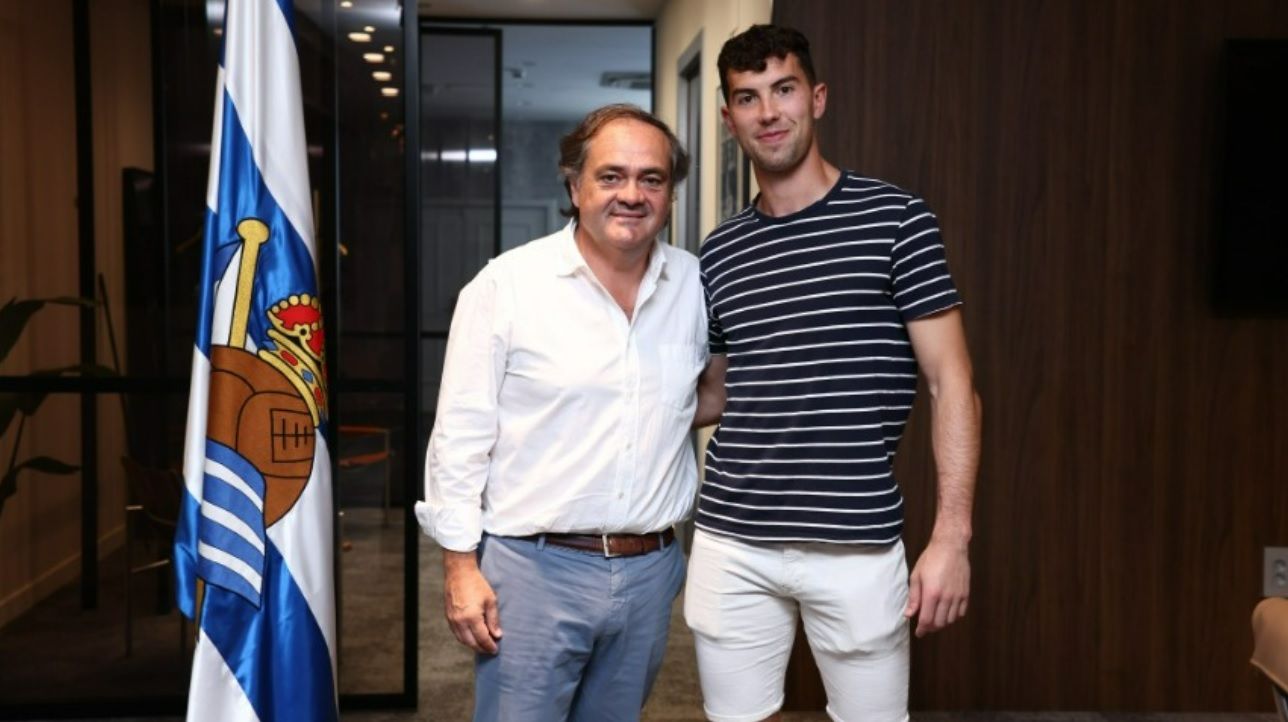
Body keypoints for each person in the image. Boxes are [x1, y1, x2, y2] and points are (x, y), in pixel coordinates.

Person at [683, 24, 983, 722]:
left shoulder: (896, 222)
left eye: (783, 89)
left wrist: (952, 538)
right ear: (728, 120)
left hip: (856, 540)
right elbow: (720, 390)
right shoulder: (721, 250)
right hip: (731, 540)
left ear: (816, 98)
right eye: (747, 98)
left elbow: (952, 385)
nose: (768, 112)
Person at [416, 104, 710, 722]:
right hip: (533, 572)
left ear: (670, 194)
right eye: (611, 176)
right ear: (575, 186)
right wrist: (460, 567)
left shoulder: (694, 286)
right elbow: (460, 438)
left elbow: (692, 397)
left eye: (651, 179)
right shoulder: (507, 287)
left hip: (651, 570)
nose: (632, 194)